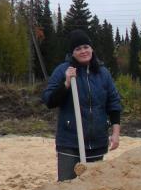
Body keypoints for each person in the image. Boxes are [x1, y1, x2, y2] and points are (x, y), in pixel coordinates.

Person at [42, 29, 122, 181]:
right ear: (72, 53)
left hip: (97, 141)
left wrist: (116, 133)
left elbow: (113, 103)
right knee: (66, 187)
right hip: (70, 142)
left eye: (86, 47)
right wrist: (66, 83)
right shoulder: (62, 71)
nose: (83, 51)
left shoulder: (103, 73)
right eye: (78, 49)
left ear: (92, 48)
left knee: (93, 189)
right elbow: (49, 100)